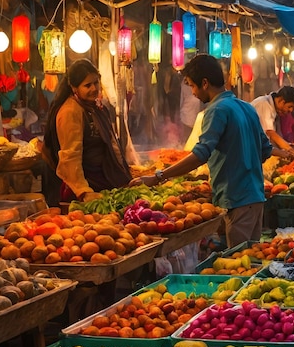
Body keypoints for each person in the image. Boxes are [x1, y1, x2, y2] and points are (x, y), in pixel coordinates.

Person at [133, 54, 275, 247]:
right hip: (255, 198)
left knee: (239, 265)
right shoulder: (246, 107)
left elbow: (201, 154)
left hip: (236, 199)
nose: (192, 92)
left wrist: (159, 176)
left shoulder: (216, 110)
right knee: (250, 260)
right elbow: (265, 150)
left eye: (192, 85)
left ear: (205, 83)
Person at [43, 59, 132, 203]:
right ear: (74, 87)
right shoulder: (70, 112)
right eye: (87, 85)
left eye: (96, 83)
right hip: (85, 188)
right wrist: (83, 192)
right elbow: (70, 157)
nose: (94, 88)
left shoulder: (92, 106)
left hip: (103, 181)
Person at [251, 86, 294, 158]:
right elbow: (270, 132)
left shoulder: (274, 110)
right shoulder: (264, 105)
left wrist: (292, 147)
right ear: (281, 101)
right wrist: (290, 149)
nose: (291, 110)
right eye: (290, 106)